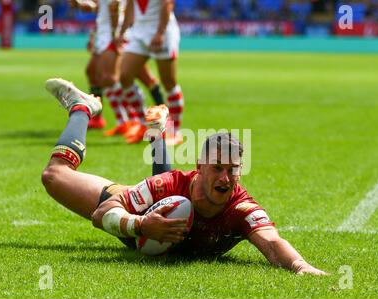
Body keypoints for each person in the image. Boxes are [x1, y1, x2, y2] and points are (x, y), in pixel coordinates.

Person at [41, 78, 327, 275]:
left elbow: (273, 244)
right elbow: (101, 214)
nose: (226, 178)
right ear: (199, 166)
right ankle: (82, 108)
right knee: (53, 176)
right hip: (141, 214)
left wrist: (302, 267)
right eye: (217, 167)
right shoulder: (171, 183)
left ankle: (156, 133)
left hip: (164, 200)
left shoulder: (240, 207)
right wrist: (141, 224)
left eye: (233, 170)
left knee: (175, 200)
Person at [69, 0, 166, 142]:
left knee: (114, 78)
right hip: (109, 35)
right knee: (105, 77)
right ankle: (126, 122)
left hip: (114, 36)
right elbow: (103, 8)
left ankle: (136, 120)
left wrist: (116, 35)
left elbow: (114, 7)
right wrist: (85, 8)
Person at [116, 0, 185, 146]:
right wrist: (122, 32)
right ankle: (143, 125)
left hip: (162, 29)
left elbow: (167, 3)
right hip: (139, 31)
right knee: (125, 77)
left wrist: (160, 32)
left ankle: (175, 131)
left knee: (169, 82)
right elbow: (129, 5)